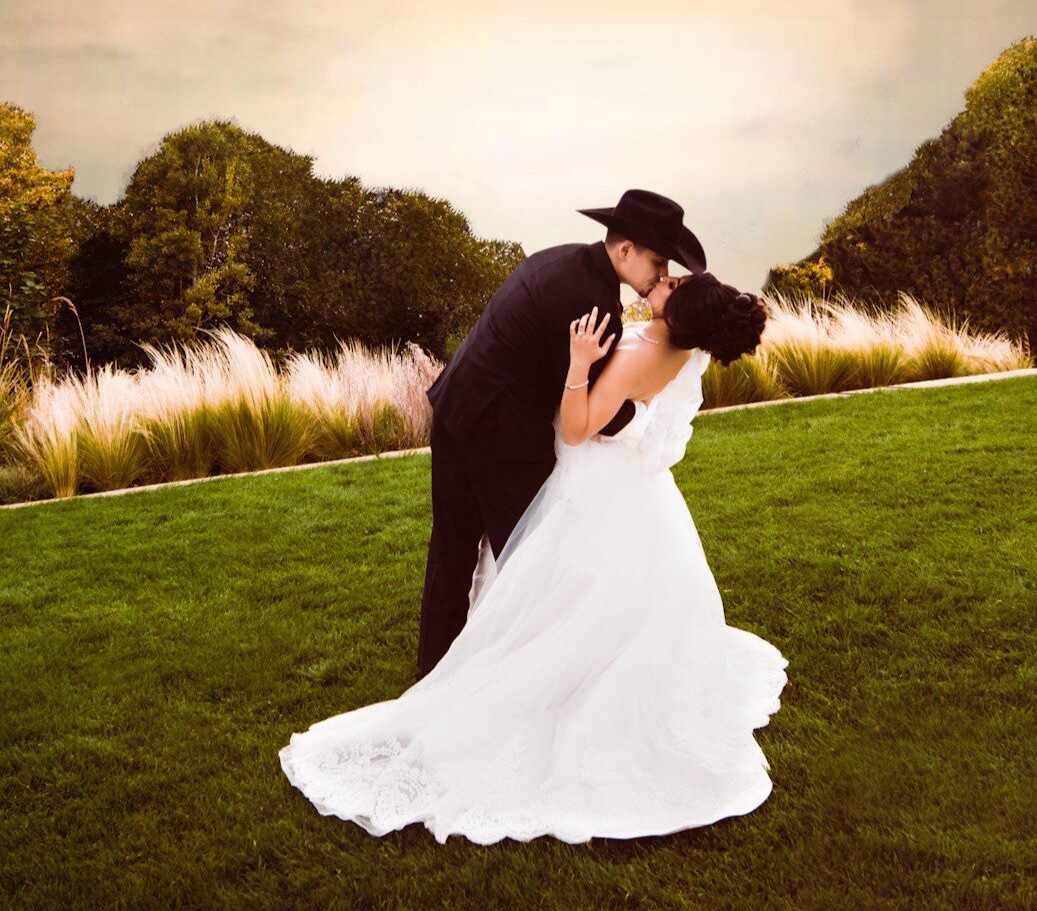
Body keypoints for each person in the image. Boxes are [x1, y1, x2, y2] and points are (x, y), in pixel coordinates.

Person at [279, 270, 789, 845]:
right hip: (635, 491)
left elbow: (576, 430)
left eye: (674, 285)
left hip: (593, 486)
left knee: (564, 598)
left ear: (677, 312)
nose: (664, 280)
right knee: (607, 603)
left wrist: (576, 362)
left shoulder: (643, 352)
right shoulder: (679, 347)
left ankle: (560, 689)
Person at [416, 188, 708, 680]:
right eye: (658, 261)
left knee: (453, 547)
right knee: (530, 562)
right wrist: (643, 416)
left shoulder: (563, 259)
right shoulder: (592, 305)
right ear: (624, 251)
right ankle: (526, 678)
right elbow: (591, 415)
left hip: (456, 407)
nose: (662, 274)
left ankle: (434, 674)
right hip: (499, 437)